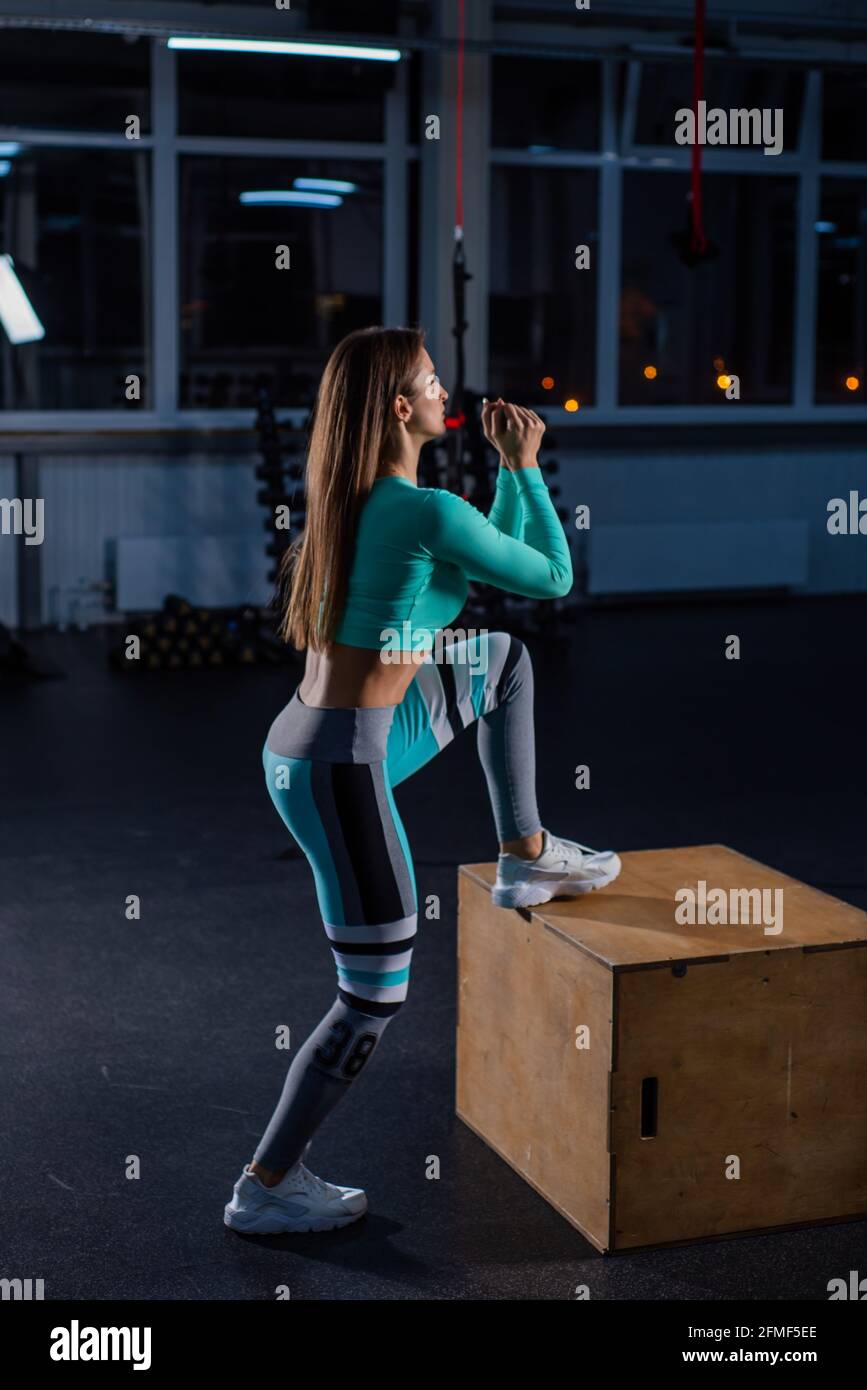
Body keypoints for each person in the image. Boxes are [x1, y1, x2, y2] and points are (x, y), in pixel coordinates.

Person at [224, 326, 621, 1236]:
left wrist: (505, 480)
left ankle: (526, 854)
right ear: (401, 408)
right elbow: (552, 573)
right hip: (341, 767)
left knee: (502, 659)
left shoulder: (363, 499)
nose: (450, 390)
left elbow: (504, 576)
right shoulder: (425, 508)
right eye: (433, 381)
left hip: (316, 739)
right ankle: (266, 1183)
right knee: (374, 995)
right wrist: (521, 464)